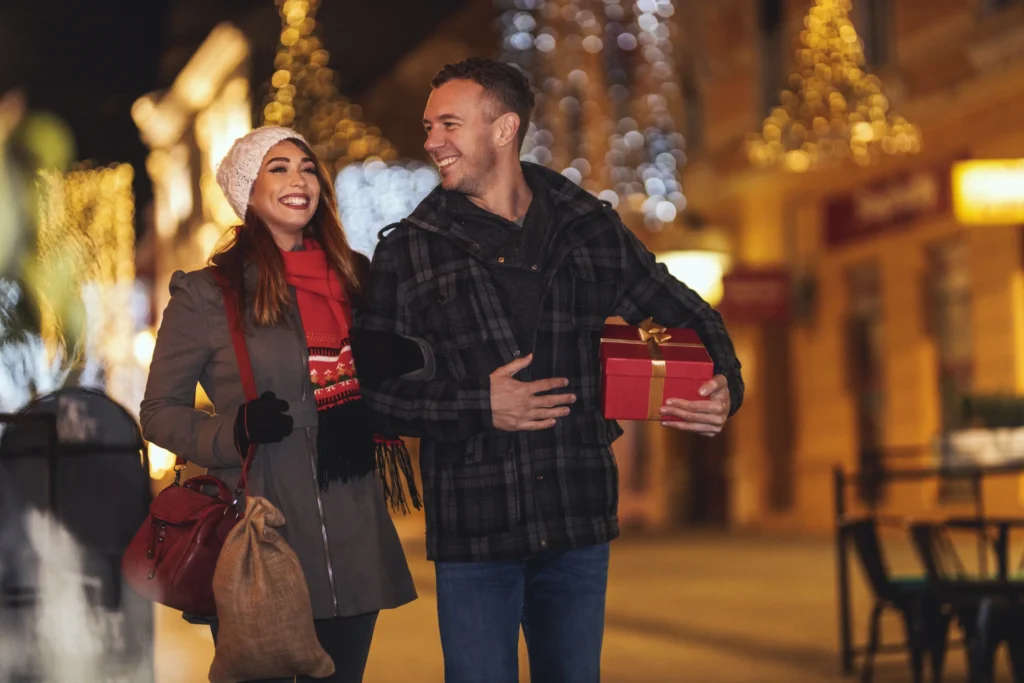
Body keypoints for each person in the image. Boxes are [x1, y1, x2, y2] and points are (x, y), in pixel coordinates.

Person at [355, 58, 745, 683]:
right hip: (474, 530)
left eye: (449, 124)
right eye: (429, 126)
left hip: (577, 518)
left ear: (504, 129)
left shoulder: (589, 228)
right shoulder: (410, 247)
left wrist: (726, 382)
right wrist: (481, 405)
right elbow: (373, 393)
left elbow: (693, 318)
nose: (431, 142)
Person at [140, 126, 426, 683]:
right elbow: (158, 411)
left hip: (352, 533)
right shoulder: (206, 294)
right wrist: (233, 431)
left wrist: (407, 356)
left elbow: (417, 371)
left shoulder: (355, 277)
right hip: (261, 535)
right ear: (247, 191)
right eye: (278, 168)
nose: (299, 179)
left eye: (307, 167)